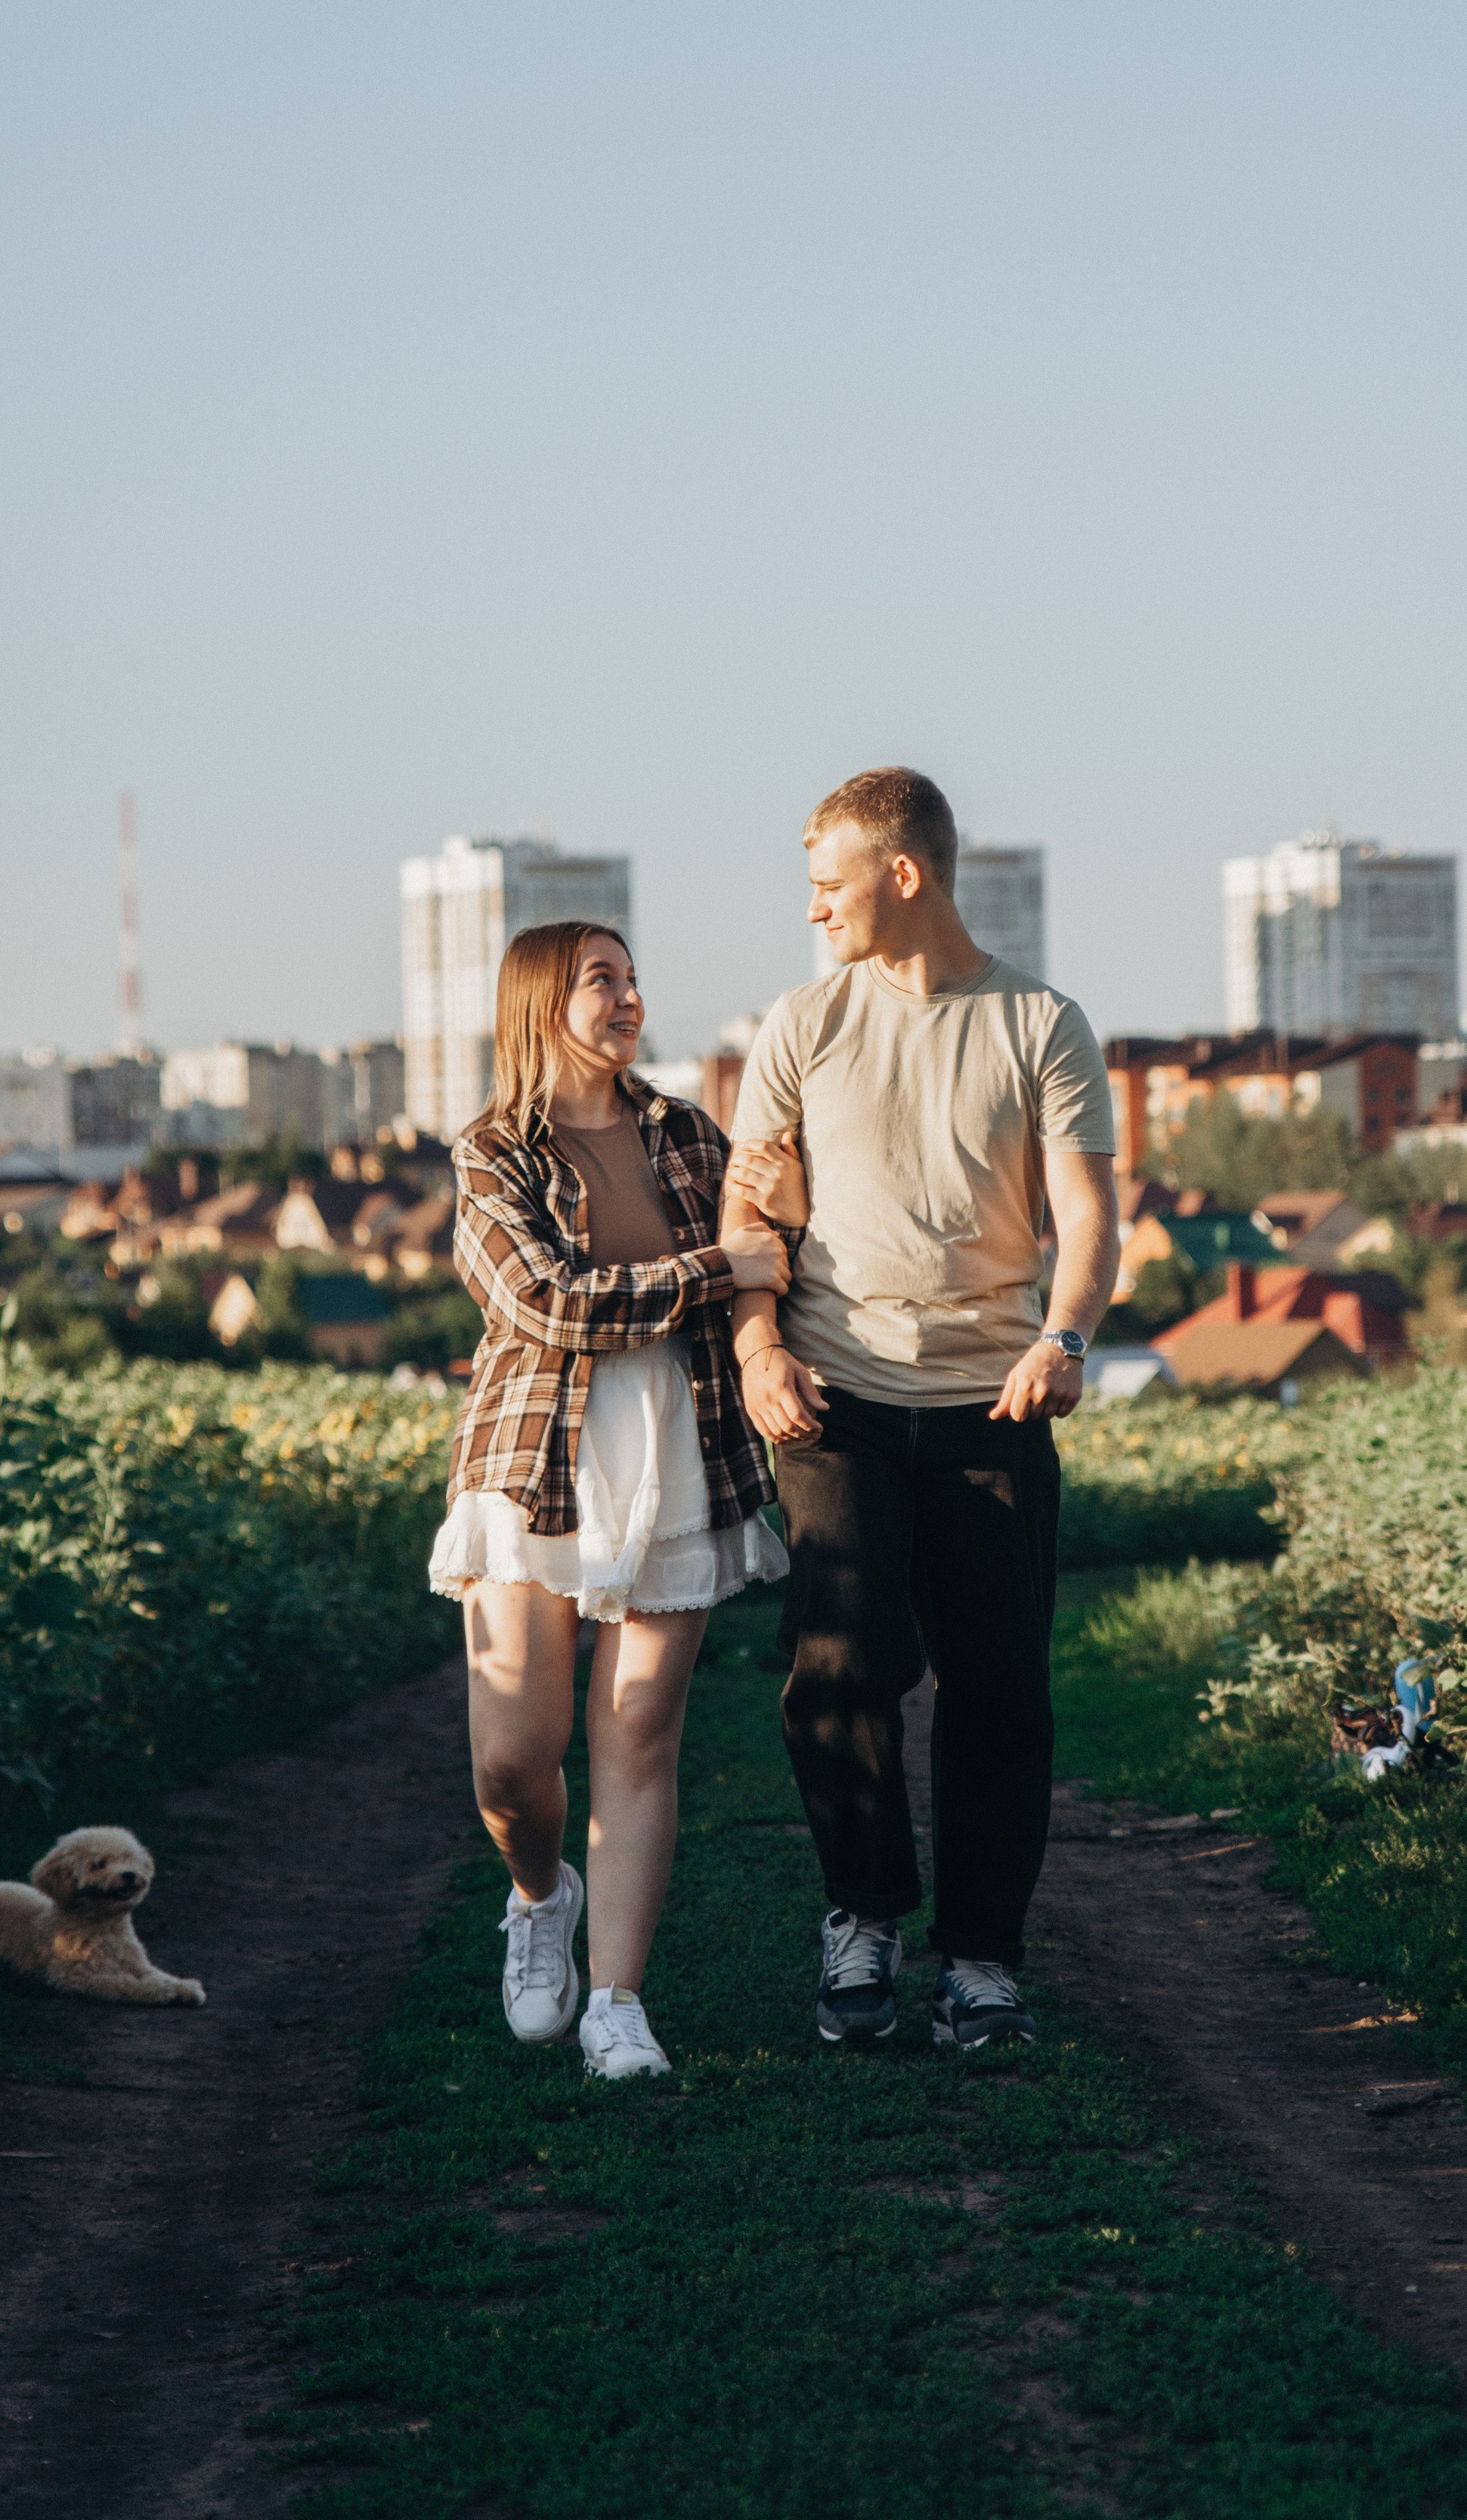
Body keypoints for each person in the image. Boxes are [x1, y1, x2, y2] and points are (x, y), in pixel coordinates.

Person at [723, 767, 1121, 2051]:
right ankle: (864, 1916)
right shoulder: (802, 1022)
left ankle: (984, 1963)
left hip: (991, 1405)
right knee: (838, 1665)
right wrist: (756, 1354)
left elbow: (1091, 1216)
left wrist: (1066, 1336)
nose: (812, 908)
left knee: (999, 1690)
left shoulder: (1041, 1023)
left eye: (828, 882)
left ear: (905, 875)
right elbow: (745, 1220)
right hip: (833, 1396)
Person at [429, 921, 803, 2079]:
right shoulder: (492, 1152)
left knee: (639, 1733)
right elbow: (546, 1304)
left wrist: (770, 1235)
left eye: (635, 979)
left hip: (678, 1445)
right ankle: (540, 1896)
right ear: (544, 1000)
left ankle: (618, 2002)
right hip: (533, 1456)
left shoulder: (690, 1133)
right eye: (604, 981)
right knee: (512, 1756)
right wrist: (713, 1272)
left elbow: (772, 1250)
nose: (630, 998)